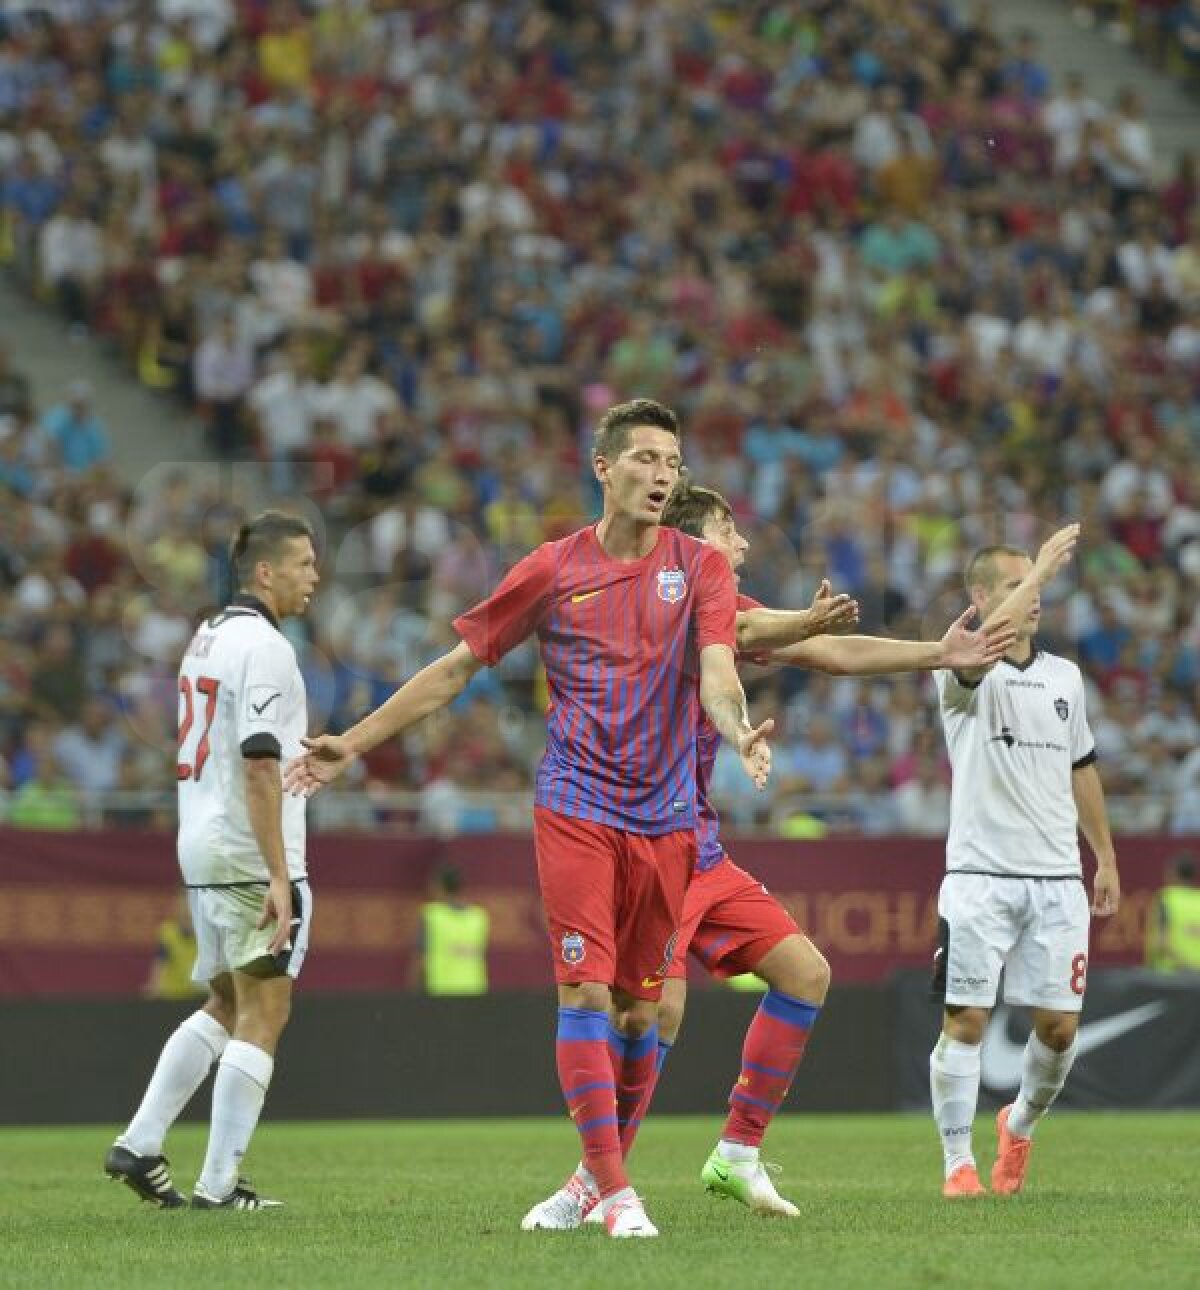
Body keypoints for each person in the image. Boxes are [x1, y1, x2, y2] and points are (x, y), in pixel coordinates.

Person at [286, 398, 772, 1239]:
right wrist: (354, 743)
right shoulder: (551, 569)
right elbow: (453, 671)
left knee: (640, 1013)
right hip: (576, 806)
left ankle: (591, 1179)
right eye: (647, 459)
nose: (663, 475)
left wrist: (737, 731)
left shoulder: (702, 569)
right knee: (583, 990)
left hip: (667, 824)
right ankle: (620, 1194)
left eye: (673, 463)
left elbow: (720, 671)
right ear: (604, 467)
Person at [524, 480, 1014, 1225]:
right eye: (729, 531)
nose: (744, 546)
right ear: (689, 542)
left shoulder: (722, 607)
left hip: (700, 847)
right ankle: (599, 1180)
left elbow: (833, 650)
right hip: (641, 835)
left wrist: (938, 654)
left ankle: (736, 1151)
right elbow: (788, 641)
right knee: (650, 1016)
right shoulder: (668, 606)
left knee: (804, 973)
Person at [105, 511, 319, 1211]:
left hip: (199, 838)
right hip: (249, 849)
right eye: (304, 563)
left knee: (226, 1000)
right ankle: (219, 1185)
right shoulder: (265, 647)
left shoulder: (207, 635)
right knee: (266, 1009)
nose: (315, 576)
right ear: (266, 571)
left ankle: (139, 1142)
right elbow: (259, 764)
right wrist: (281, 877)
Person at [929, 527, 1121, 1198]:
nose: (1033, 597)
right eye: (1014, 587)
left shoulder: (1065, 677)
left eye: (1034, 586)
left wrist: (1104, 856)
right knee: (967, 1020)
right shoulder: (960, 668)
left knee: (1059, 1030)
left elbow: (1083, 767)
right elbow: (980, 655)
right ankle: (958, 1161)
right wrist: (1040, 568)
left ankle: (1021, 1124)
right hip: (979, 878)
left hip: (1056, 880)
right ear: (981, 597)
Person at [414, 866, 490, 996]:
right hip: (475, 991)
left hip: (441, 992)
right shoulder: (479, 917)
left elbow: (420, 959)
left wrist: (414, 992)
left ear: (439, 886)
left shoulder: (432, 915)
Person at [145, 892, 205, 1001]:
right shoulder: (167, 932)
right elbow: (160, 963)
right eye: (182, 905)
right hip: (171, 997)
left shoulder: (206, 934)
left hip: (198, 997)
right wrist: (154, 987)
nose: (186, 910)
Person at [1146, 854, 1200, 973]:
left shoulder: (1166, 899)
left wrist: (1186, 966)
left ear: (1173, 873)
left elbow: (1161, 943)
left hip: (1170, 979)